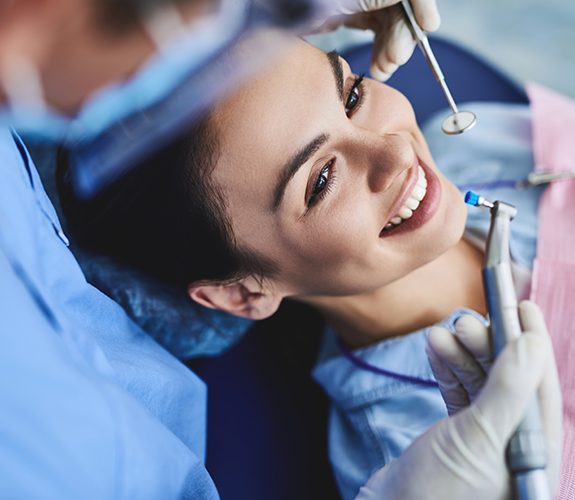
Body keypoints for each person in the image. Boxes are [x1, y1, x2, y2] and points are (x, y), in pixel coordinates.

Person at [57, 36, 563, 499]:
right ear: (243, 294)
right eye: (321, 180)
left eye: (351, 98)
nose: (394, 151)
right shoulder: (412, 459)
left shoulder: (493, 145)